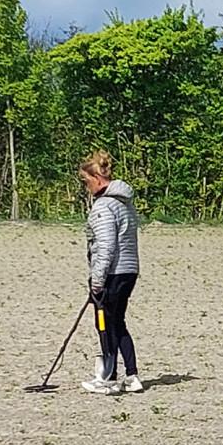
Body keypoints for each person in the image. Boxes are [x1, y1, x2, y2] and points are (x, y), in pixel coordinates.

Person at [79, 150, 143, 394]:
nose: (86, 188)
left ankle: (107, 378)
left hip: (113, 274)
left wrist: (97, 281)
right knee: (117, 322)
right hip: (129, 271)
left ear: (97, 178)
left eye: (86, 182)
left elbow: (105, 247)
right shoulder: (124, 204)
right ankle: (132, 375)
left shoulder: (103, 207)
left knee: (104, 324)